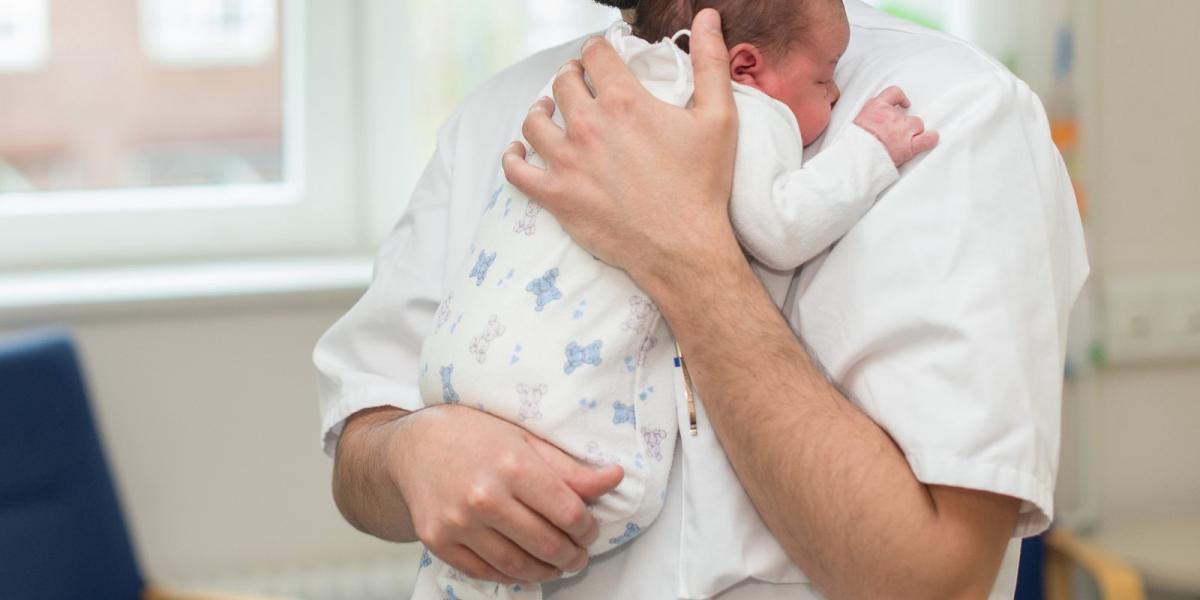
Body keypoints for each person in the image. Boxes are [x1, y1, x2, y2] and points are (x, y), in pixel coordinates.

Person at [315, 2, 1089, 598]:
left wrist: (684, 252)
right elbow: (362, 441)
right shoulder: (505, 112)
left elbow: (933, 581)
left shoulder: (952, 119)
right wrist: (412, 454)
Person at [410, 1, 935, 596]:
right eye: (824, 78)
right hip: (576, 457)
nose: (837, 94)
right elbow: (780, 229)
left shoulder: (600, 79)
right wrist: (869, 150)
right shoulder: (748, 112)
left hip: (466, 390)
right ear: (744, 66)